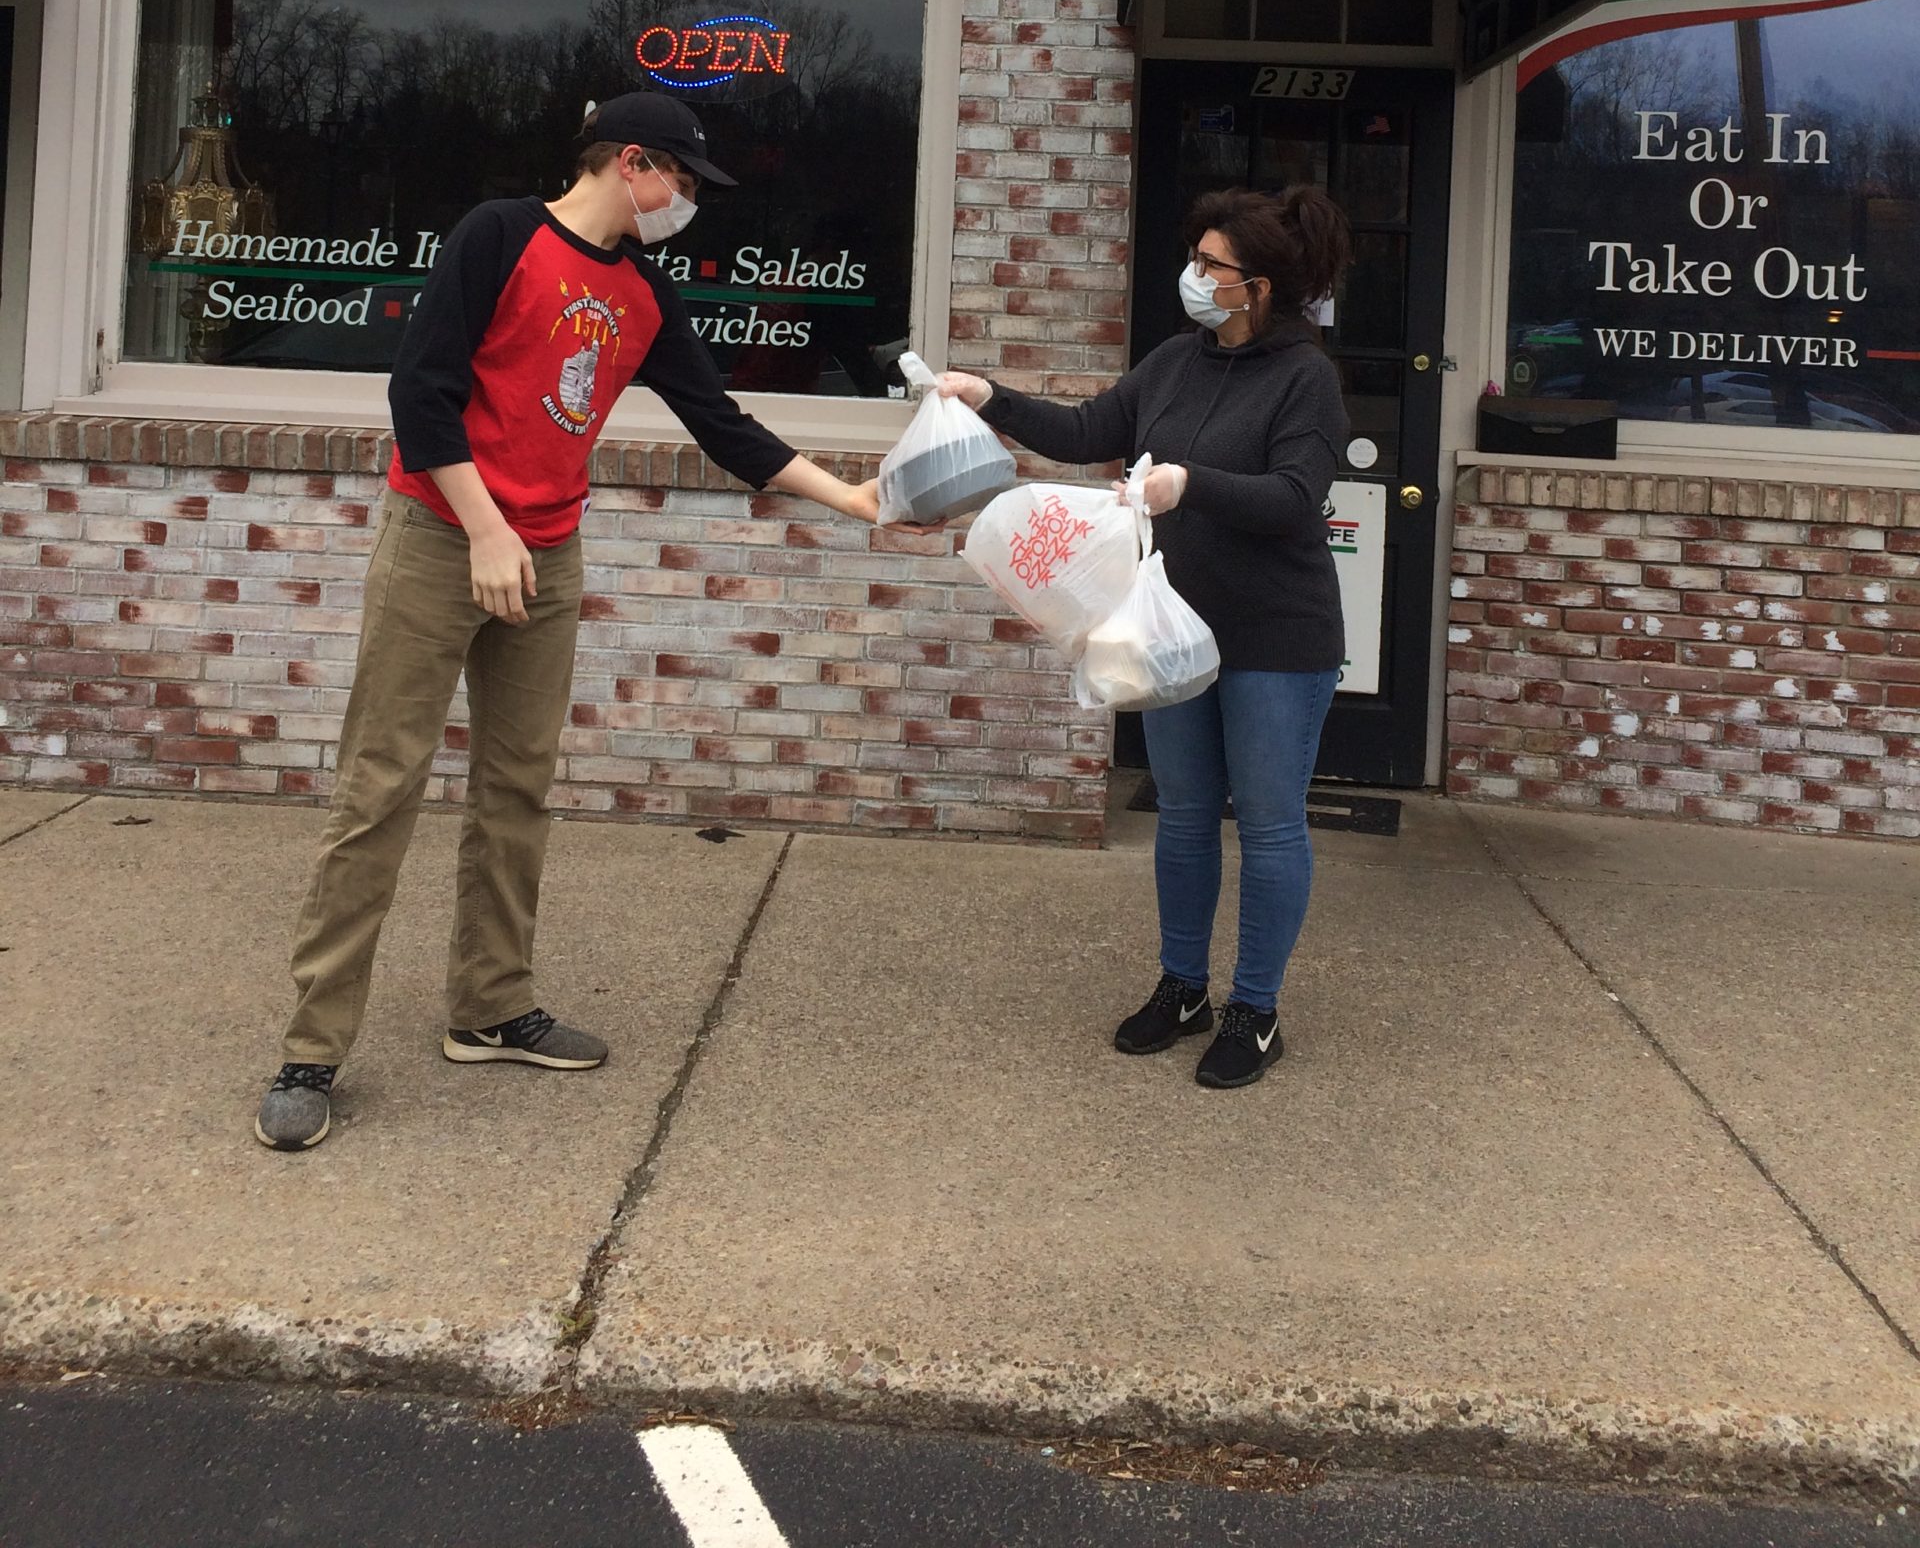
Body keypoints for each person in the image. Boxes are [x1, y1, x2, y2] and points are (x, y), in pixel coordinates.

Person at [254, 90, 881, 1152]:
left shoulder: (642, 290)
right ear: (630, 162)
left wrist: (854, 499)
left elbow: (721, 423)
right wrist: (488, 529)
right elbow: (421, 392)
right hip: (443, 535)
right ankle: (310, 1051)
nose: (686, 201)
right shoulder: (500, 234)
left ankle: (491, 1007)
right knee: (380, 785)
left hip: (544, 551)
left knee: (516, 784)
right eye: (680, 179)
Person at [937, 184, 1351, 1090]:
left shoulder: (1306, 379)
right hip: (1168, 635)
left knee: (1272, 829)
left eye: (1213, 266)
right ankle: (1182, 987)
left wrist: (1185, 486)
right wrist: (989, 396)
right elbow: (1090, 429)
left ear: (1261, 287)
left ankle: (1255, 1009)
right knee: (1185, 817)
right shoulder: (1173, 361)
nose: (1195, 277)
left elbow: (1292, 499)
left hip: (1276, 638)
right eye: (1197, 259)